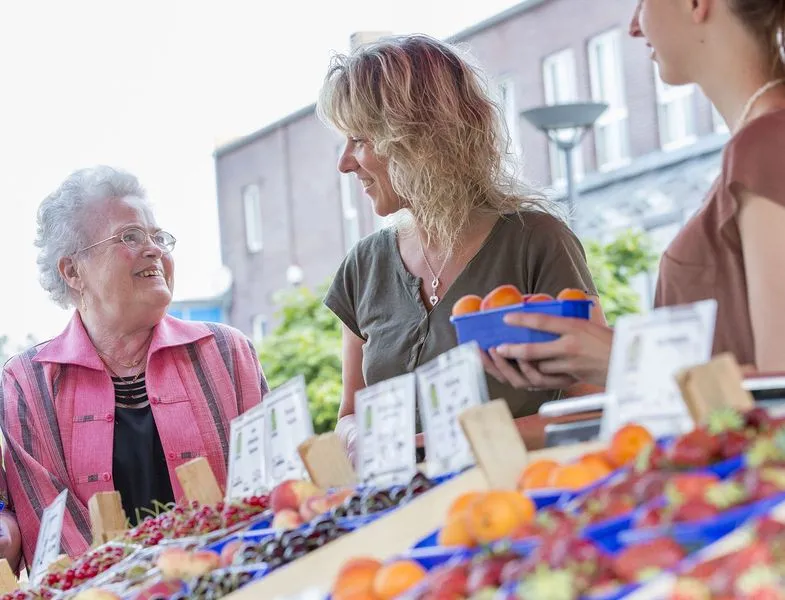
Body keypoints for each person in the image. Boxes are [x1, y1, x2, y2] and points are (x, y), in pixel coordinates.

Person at [316, 34, 606, 462]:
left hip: (517, 504)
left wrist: (463, 441)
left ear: (418, 136)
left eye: (360, 139)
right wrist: (356, 438)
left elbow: (591, 404)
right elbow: (350, 413)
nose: (344, 162)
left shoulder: (537, 241)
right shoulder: (363, 266)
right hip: (399, 514)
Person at [485, 0, 785, 390]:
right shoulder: (758, 144)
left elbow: (777, 391)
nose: (634, 26)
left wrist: (623, 358)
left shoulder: (766, 143)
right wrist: (599, 356)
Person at [0, 166, 268, 566]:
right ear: (72, 271)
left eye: (158, 237)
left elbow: (268, 484)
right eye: (131, 236)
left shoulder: (228, 352)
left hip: (239, 577)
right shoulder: (26, 384)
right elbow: (55, 534)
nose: (156, 250)